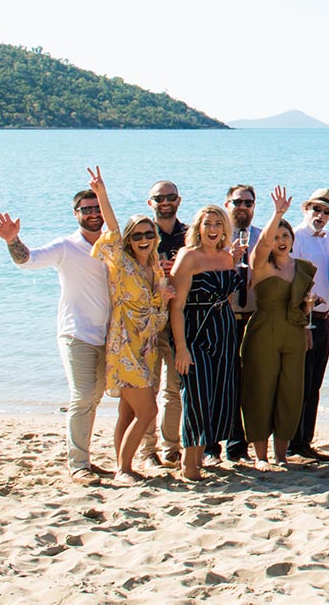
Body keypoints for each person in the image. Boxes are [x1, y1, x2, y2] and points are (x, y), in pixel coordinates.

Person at [0, 184, 112, 482]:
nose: (93, 214)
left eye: (97, 207)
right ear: (76, 214)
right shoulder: (65, 247)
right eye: (86, 209)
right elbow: (27, 260)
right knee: (83, 395)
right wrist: (12, 240)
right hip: (76, 333)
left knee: (94, 397)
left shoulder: (113, 245)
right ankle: (78, 465)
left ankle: (84, 458)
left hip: (110, 335)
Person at [78, 167, 172, 486]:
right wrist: (102, 193)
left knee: (128, 413)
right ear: (129, 239)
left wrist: (164, 298)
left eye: (149, 234)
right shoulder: (121, 262)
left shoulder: (154, 268)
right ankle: (124, 469)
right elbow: (113, 228)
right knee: (148, 414)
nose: (144, 239)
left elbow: (157, 319)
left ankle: (122, 465)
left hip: (146, 350)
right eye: (138, 235)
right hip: (124, 349)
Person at [240, 187, 318, 472]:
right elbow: (260, 245)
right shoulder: (261, 266)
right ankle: (260, 455)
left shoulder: (304, 268)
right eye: (276, 237)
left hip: (294, 333)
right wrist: (278, 215)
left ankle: (281, 455)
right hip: (263, 331)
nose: (281, 240)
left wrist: (308, 318)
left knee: (291, 392)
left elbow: (304, 307)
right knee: (261, 390)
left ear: (292, 240)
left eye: (286, 236)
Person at [168, 204, 241, 480]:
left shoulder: (226, 257)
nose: (213, 229)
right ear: (198, 227)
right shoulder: (188, 257)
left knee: (216, 397)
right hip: (196, 332)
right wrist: (181, 347)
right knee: (196, 397)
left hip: (223, 333)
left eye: (218, 224)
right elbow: (176, 307)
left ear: (225, 229)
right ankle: (188, 464)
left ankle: (200, 459)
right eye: (207, 224)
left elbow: (229, 299)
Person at [288, 188, 329, 463]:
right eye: (316, 210)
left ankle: (305, 442)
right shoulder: (296, 237)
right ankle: (292, 442)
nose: (320, 215)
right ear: (306, 209)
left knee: (314, 384)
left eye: (325, 212)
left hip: (324, 318)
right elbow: (289, 276)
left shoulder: (328, 240)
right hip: (302, 318)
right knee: (298, 383)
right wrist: (303, 305)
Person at [145, 179, 187, 468]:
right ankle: (147, 450)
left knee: (174, 389)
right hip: (147, 321)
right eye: (159, 198)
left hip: (178, 319)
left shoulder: (189, 234)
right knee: (147, 387)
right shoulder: (142, 233)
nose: (165, 202)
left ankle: (172, 447)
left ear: (178, 200)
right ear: (151, 203)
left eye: (170, 197)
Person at [222, 185, 262, 463]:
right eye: (238, 202)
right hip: (224, 316)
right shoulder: (215, 234)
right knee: (222, 382)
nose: (243, 207)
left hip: (254, 317)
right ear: (228, 204)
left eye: (248, 202)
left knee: (250, 384)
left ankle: (240, 446)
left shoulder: (261, 236)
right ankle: (213, 446)